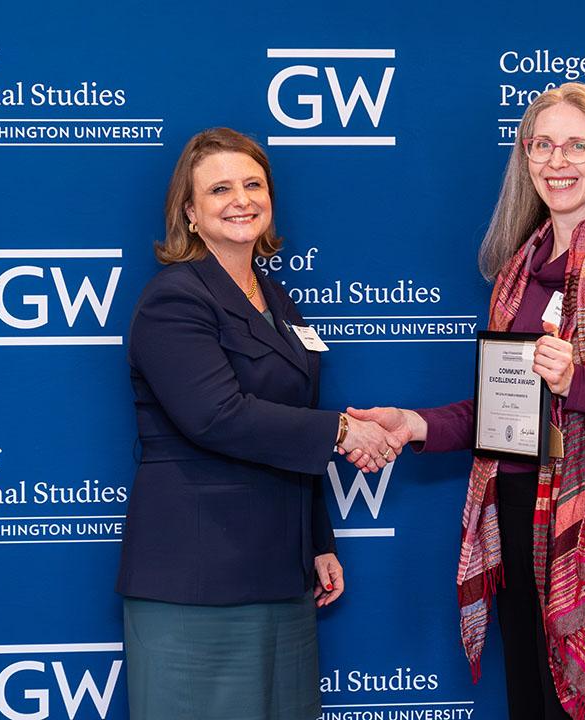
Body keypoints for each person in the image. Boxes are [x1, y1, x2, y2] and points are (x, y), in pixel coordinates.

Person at [346, 83, 585, 719]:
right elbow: (503, 407)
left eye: (576, 145)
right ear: (525, 157)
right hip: (513, 518)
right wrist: (413, 425)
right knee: (532, 707)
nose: (557, 161)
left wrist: (579, 380)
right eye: (542, 145)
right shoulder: (519, 269)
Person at [116, 127, 401, 720]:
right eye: (219, 189)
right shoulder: (174, 299)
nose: (241, 199)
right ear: (190, 214)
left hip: (281, 571)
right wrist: (345, 433)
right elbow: (216, 416)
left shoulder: (273, 299)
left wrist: (317, 541)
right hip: (200, 575)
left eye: (253, 184)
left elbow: (289, 426)